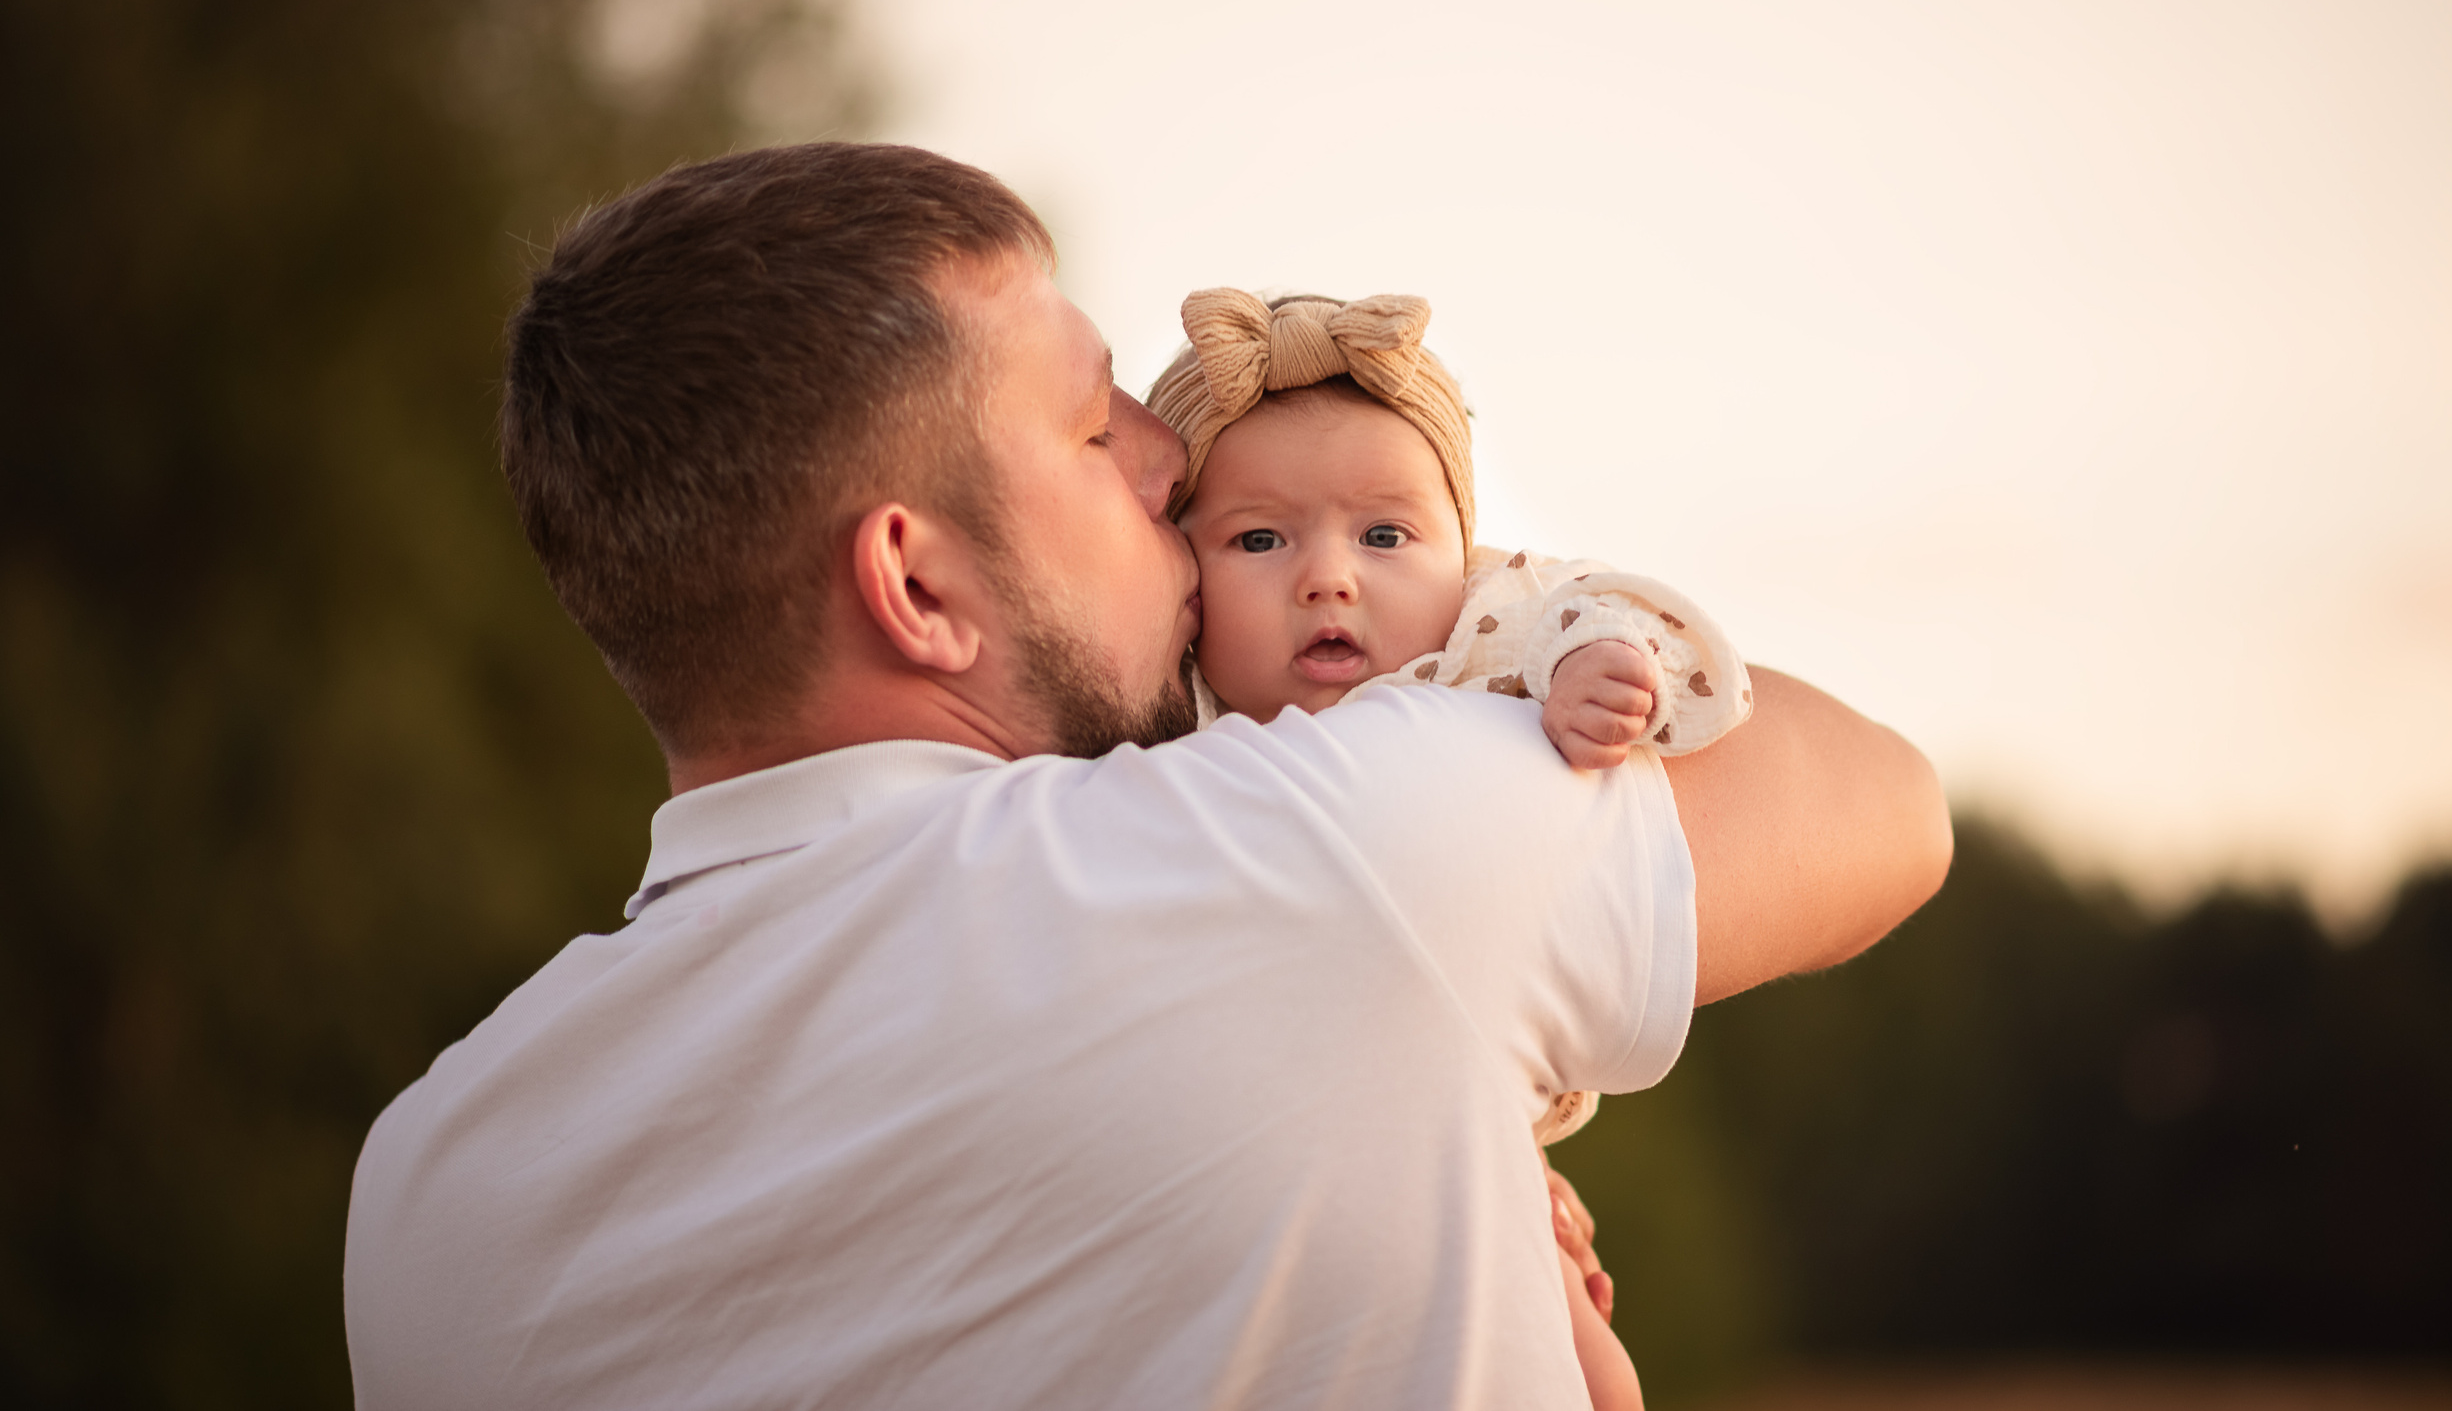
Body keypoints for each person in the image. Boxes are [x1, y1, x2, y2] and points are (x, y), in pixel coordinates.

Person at [342, 142, 1952, 1410]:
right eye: (1087, 427)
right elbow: (1883, 805)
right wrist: (1500, 614)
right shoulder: (1330, 845)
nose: (1169, 455)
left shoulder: (426, 1194)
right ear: (917, 585)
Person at [1149, 286, 1761, 1407]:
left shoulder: (1481, 641)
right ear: (1178, 576)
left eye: (1385, 535)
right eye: (1258, 537)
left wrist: (1593, 668)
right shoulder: (1168, 718)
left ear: (1463, 554)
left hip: (1460, 1102)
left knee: (1592, 1370)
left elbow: (1605, 610)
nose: (1328, 575)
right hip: (1263, 1124)